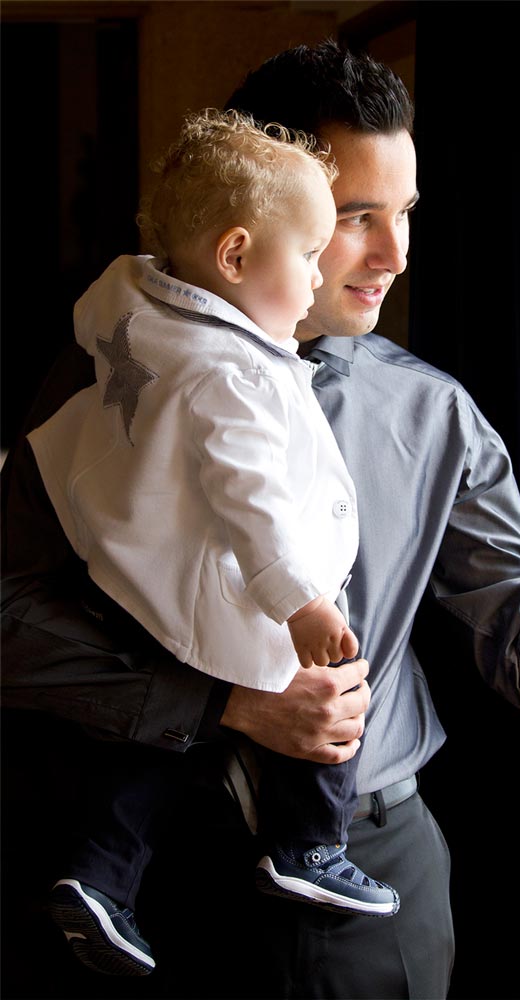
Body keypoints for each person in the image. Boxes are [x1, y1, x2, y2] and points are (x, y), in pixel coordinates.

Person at [2, 38, 520, 1000]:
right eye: (355, 218)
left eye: (404, 214)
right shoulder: (103, 375)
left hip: (375, 882)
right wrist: (221, 704)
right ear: (253, 211)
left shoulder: (433, 414)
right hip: (141, 883)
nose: (395, 256)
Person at [26, 106, 399, 976]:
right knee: (331, 680)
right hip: (229, 582)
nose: (320, 274)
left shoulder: (130, 301)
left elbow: (105, 302)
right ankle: (309, 845)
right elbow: (252, 499)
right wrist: (300, 603)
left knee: (152, 748)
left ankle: (98, 876)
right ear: (234, 256)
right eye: (312, 252)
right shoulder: (229, 375)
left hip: (129, 576)